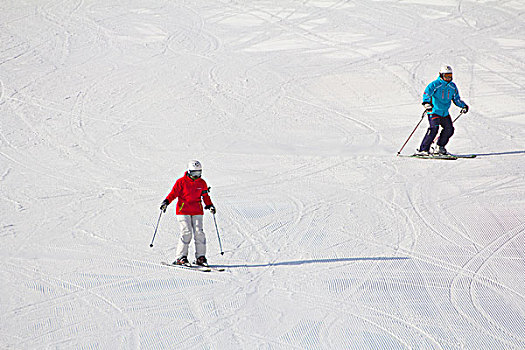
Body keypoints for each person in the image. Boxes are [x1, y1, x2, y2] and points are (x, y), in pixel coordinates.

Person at [160, 160, 216, 266]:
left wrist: (210, 205)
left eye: (199, 173)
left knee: (199, 233)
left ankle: (200, 257)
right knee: (187, 232)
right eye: (194, 174)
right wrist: (166, 202)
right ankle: (181, 257)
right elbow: (173, 193)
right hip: (183, 210)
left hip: (197, 210)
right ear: (189, 172)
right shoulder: (181, 182)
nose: (196, 176)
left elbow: (205, 196)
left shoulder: (202, 183)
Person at [417, 65, 469, 155]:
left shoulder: (452, 86)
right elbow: (427, 94)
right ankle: (423, 149)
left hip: (445, 113)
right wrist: (426, 103)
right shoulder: (435, 84)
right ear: (441, 75)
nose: (448, 78)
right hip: (434, 111)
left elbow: (456, 99)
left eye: (450, 76)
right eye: (446, 76)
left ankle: (440, 147)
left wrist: (463, 106)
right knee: (434, 128)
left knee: (449, 129)